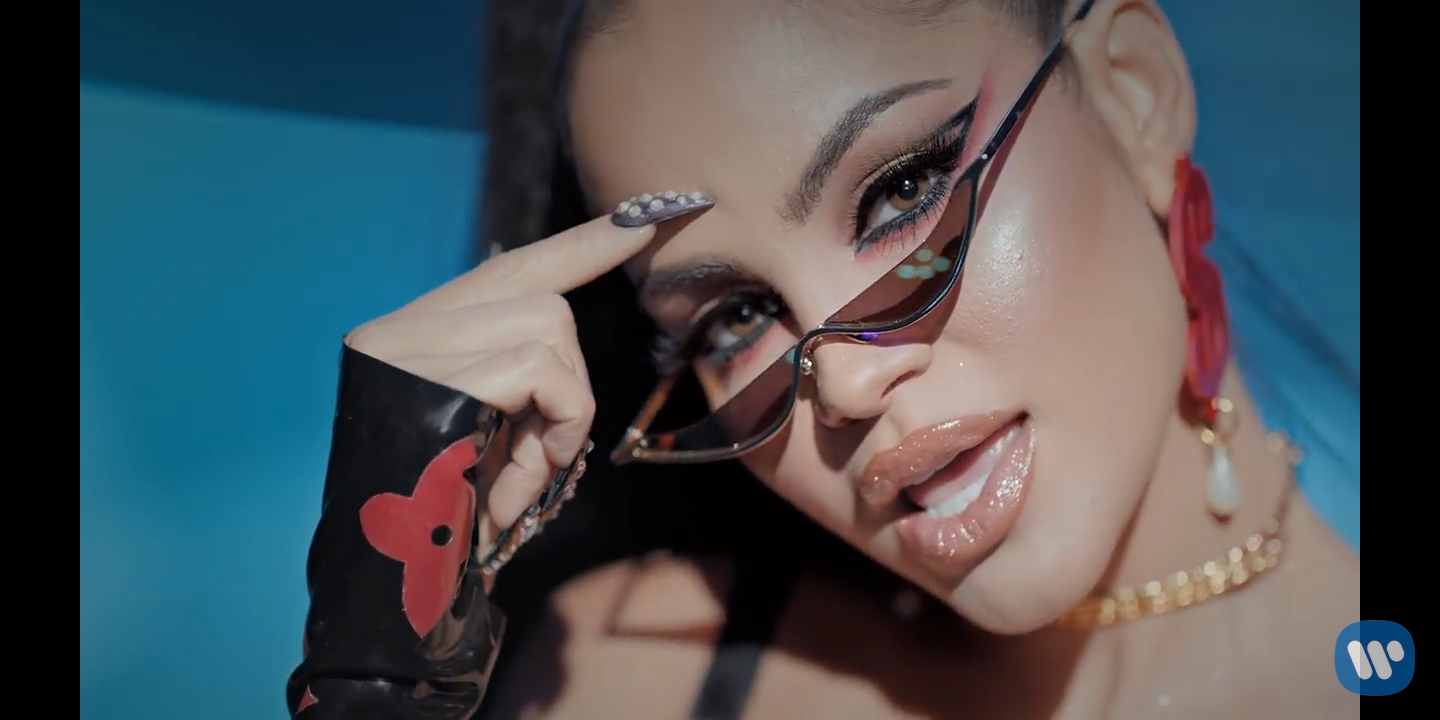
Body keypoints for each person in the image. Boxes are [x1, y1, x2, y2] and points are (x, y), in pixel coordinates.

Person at [287, 0, 1360, 718]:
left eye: (904, 190)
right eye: (736, 317)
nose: (840, 383)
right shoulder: (632, 684)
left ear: (1133, 93)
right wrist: (378, 671)